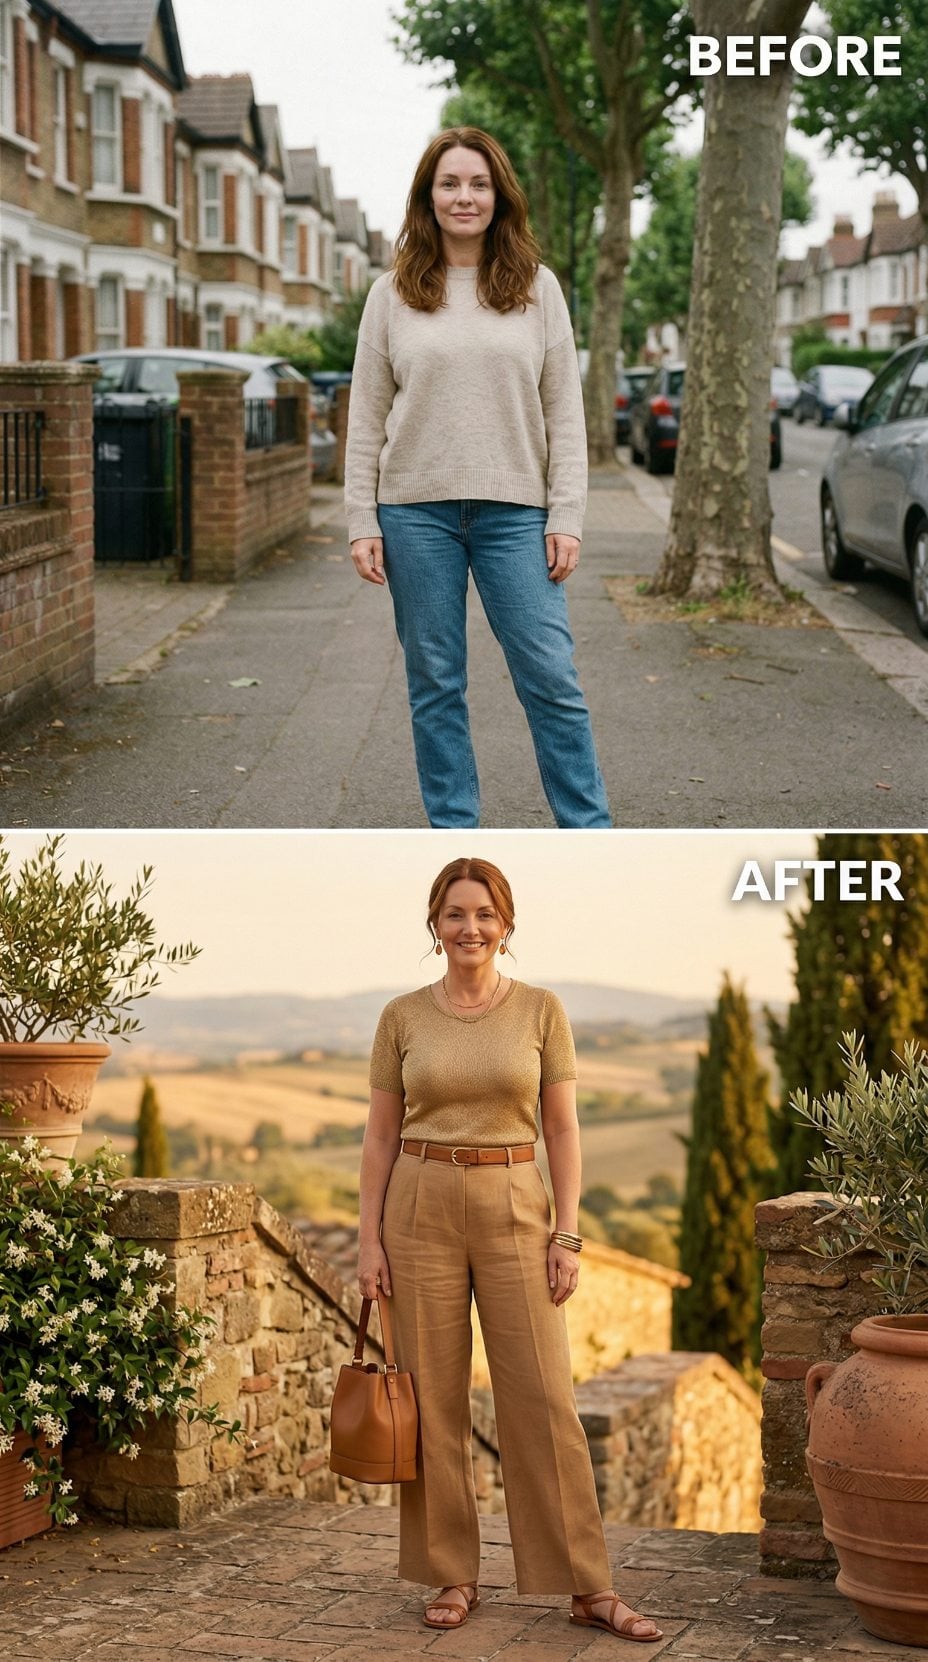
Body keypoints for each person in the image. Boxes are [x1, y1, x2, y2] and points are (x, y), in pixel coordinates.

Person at [355, 857, 662, 1643]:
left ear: (506, 924)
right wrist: (367, 1240)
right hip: (416, 1204)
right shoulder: (401, 1017)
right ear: (434, 924)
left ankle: (588, 1587)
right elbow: (381, 1136)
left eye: (485, 914)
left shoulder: (540, 1011)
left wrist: (567, 1231)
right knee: (433, 1400)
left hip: (516, 1203)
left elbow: (561, 1129)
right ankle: (451, 1573)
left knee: (543, 1399)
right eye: (456, 914)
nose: (470, 928)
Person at [344, 128, 611, 831]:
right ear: (427, 198)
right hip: (413, 513)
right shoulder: (391, 294)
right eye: (450, 184)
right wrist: (361, 521)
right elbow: (366, 417)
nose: (464, 196)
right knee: (435, 686)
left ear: (500, 196)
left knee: (551, 679)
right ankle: (452, 830)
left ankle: (590, 833)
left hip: (516, 514)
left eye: (478, 184)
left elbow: (566, 412)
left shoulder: (537, 289)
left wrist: (567, 514)